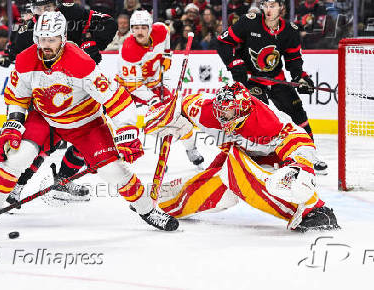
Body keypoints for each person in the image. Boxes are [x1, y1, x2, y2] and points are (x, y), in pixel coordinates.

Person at [0, 11, 179, 233]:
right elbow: (17, 97)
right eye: (42, 39)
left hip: (85, 124)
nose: (46, 45)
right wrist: (12, 125)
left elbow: (117, 99)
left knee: (114, 171)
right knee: (16, 157)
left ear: (63, 37)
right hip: (45, 119)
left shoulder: (81, 62)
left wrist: (127, 132)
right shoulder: (25, 60)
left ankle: (148, 210)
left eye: (51, 39)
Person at [145, 82, 340, 232]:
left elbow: (296, 138)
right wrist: (163, 117)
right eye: (220, 110)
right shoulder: (206, 110)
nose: (222, 116)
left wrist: (298, 166)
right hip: (236, 153)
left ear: (243, 110)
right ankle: (163, 202)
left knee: (278, 183)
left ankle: (313, 210)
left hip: (272, 158)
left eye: (228, 112)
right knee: (221, 196)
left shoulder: (265, 122)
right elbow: (180, 104)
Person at [0, 0, 118, 206]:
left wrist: (91, 44)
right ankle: (16, 187)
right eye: (38, 8)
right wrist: (8, 54)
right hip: (46, 97)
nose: (42, 13)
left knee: (85, 140)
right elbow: (20, 52)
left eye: (47, 7)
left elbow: (109, 23)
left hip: (80, 91)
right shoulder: (30, 28)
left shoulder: (73, 14)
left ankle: (63, 181)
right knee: (40, 145)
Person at [216, 0, 328, 173]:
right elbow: (223, 42)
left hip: (276, 79)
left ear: (281, 8)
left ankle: (310, 155)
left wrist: (301, 78)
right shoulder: (249, 21)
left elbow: (293, 60)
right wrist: (234, 63)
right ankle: (255, 155)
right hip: (252, 80)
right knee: (259, 116)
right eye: (266, 5)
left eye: (273, 6)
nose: (269, 10)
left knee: (297, 112)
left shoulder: (290, 30)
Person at [115, 10, 205, 168]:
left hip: (155, 85)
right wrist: (152, 99)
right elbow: (133, 84)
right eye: (136, 28)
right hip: (129, 88)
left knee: (179, 117)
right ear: (131, 29)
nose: (140, 31)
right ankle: (126, 154)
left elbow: (166, 32)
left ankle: (191, 149)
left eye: (143, 27)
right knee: (145, 123)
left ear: (150, 28)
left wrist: (167, 54)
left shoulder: (161, 30)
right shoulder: (128, 50)